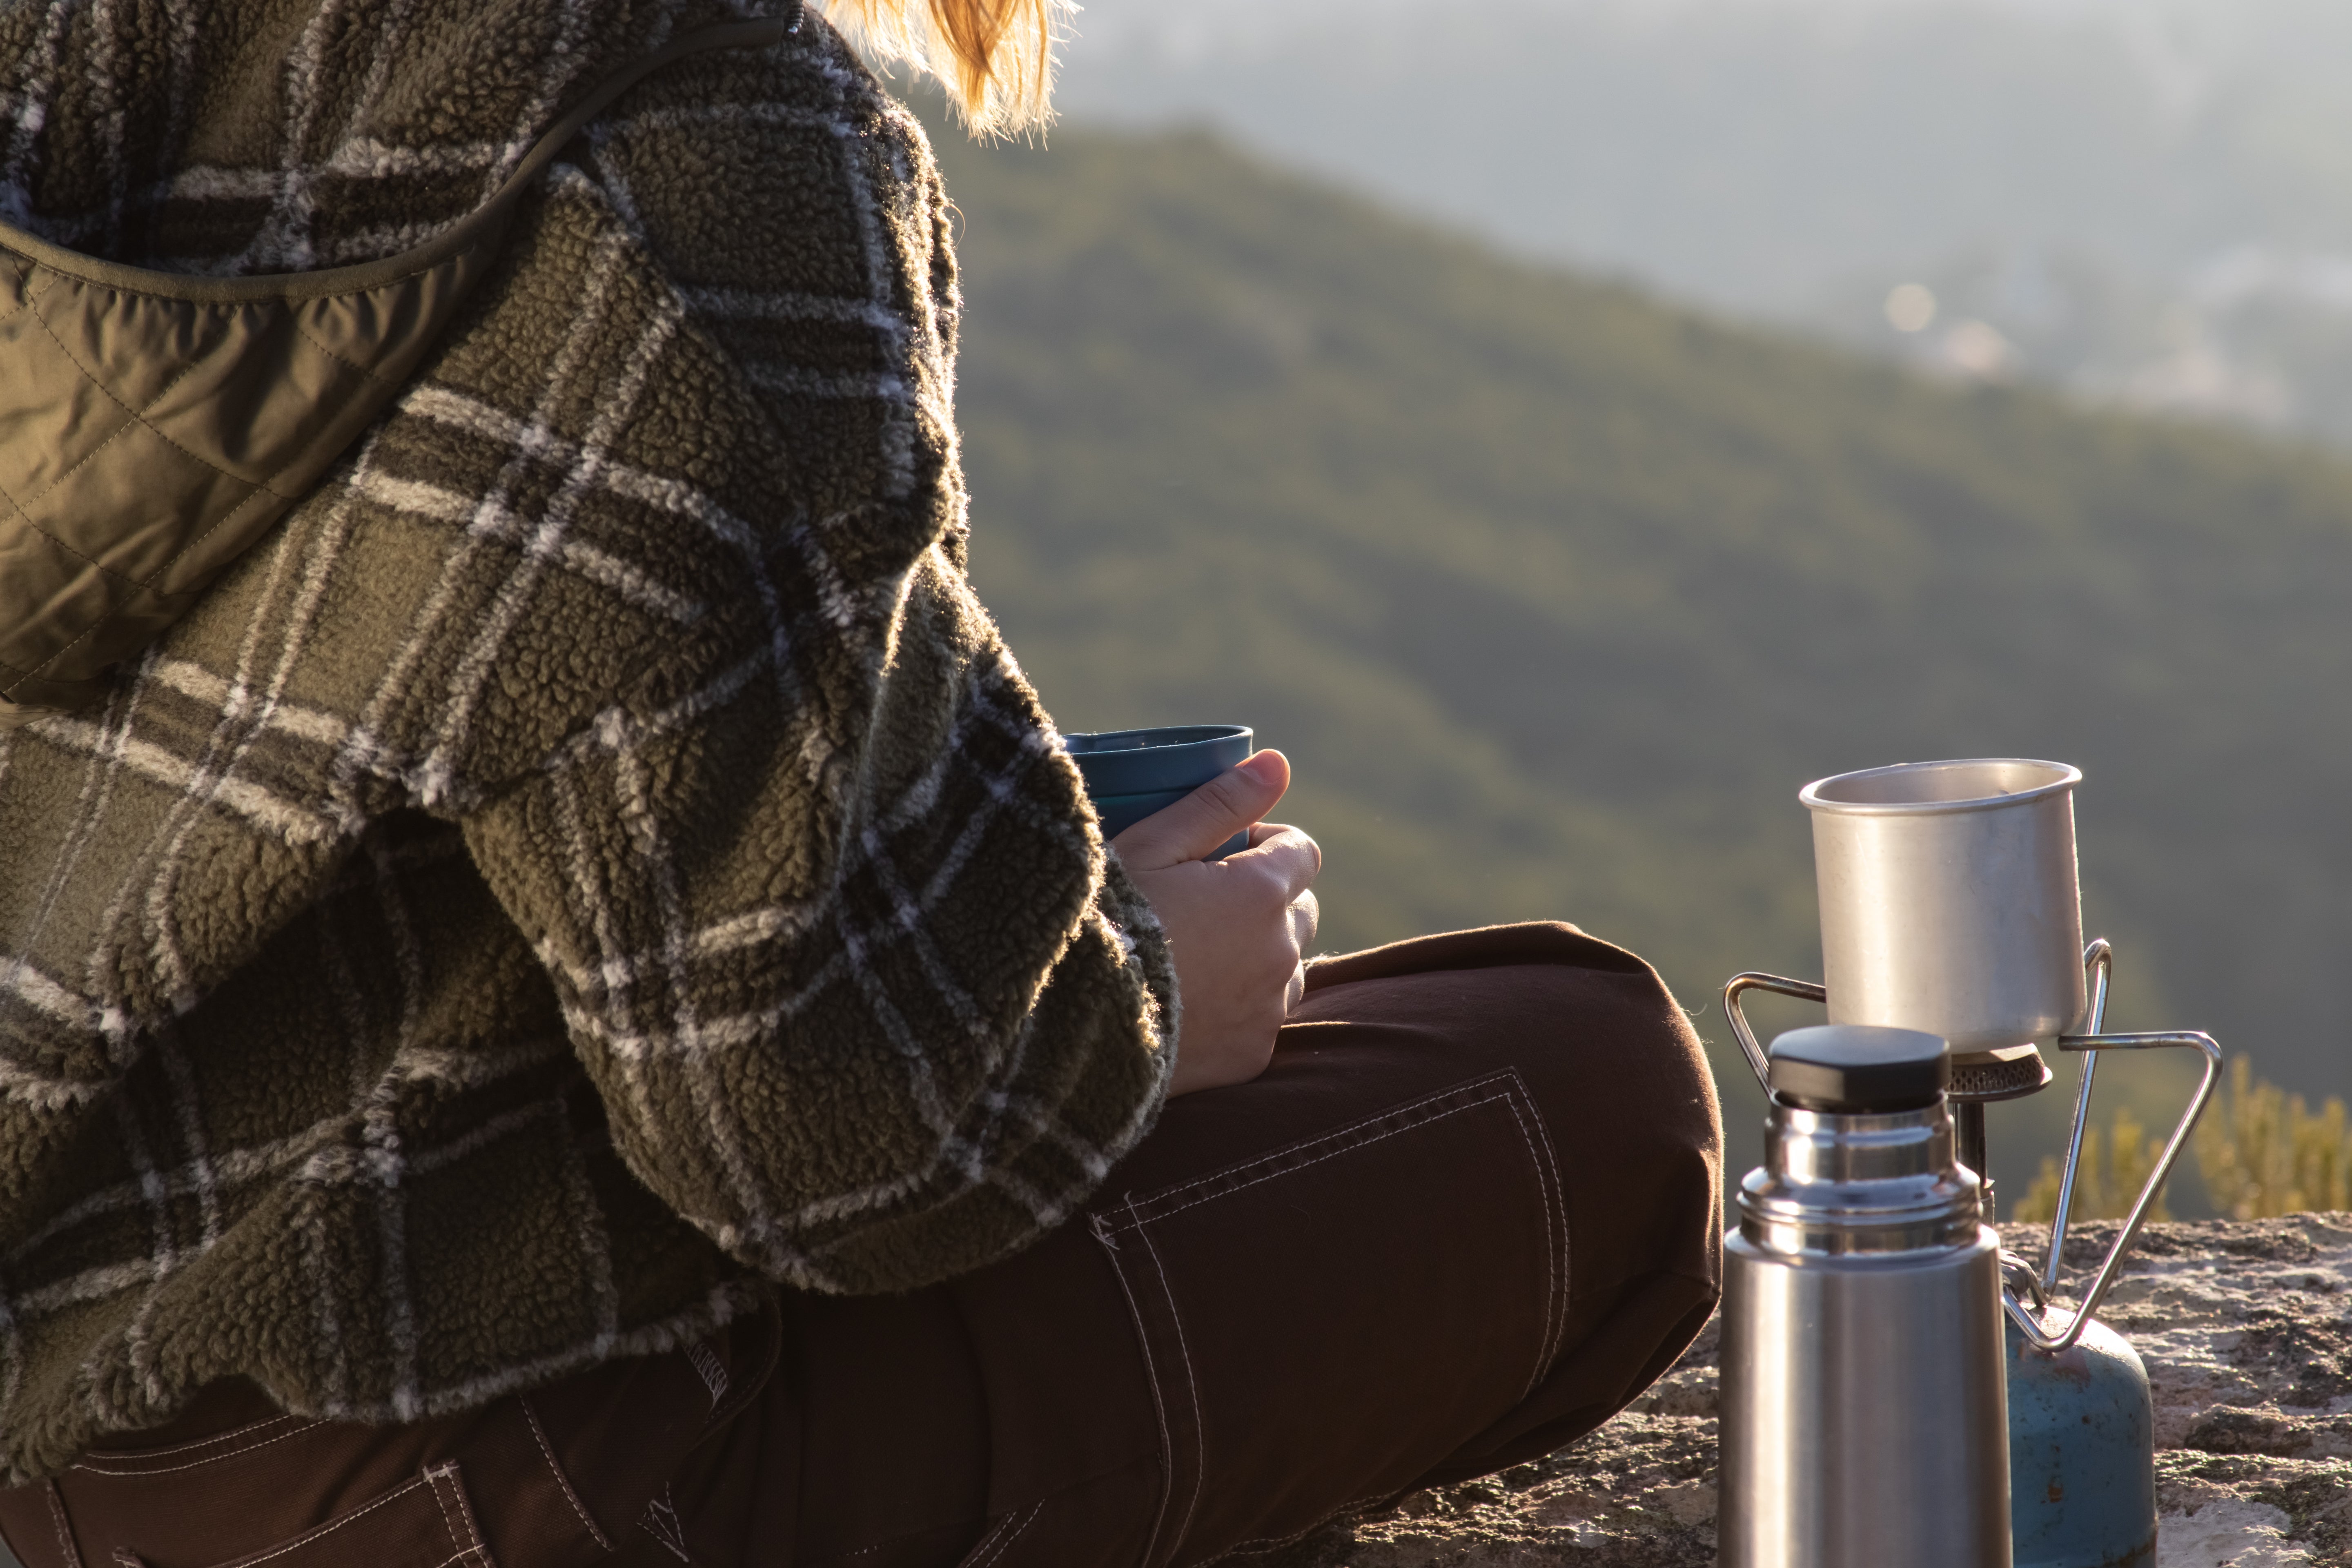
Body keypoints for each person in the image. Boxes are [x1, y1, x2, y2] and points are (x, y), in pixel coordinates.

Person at [0, 0, 1721, 1563]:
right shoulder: (682, 130)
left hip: (62, 1457)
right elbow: (828, 1151)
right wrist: (1129, 987)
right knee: (1586, 1079)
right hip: (481, 1476)